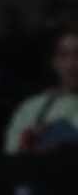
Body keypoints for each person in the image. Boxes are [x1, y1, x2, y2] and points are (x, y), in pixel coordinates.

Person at [5, 25, 78, 153]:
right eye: (64, 55)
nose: (72, 64)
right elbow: (13, 158)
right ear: (54, 62)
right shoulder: (30, 108)